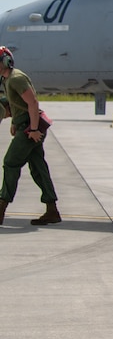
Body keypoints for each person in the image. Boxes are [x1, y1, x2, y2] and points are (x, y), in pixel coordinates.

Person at [0, 45, 60, 226]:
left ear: (5, 61)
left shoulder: (16, 78)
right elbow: (17, 104)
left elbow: (33, 103)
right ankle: (52, 210)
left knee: (11, 162)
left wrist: (33, 130)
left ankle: (1, 206)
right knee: (38, 167)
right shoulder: (7, 79)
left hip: (29, 128)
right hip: (25, 126)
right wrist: (14, 122)